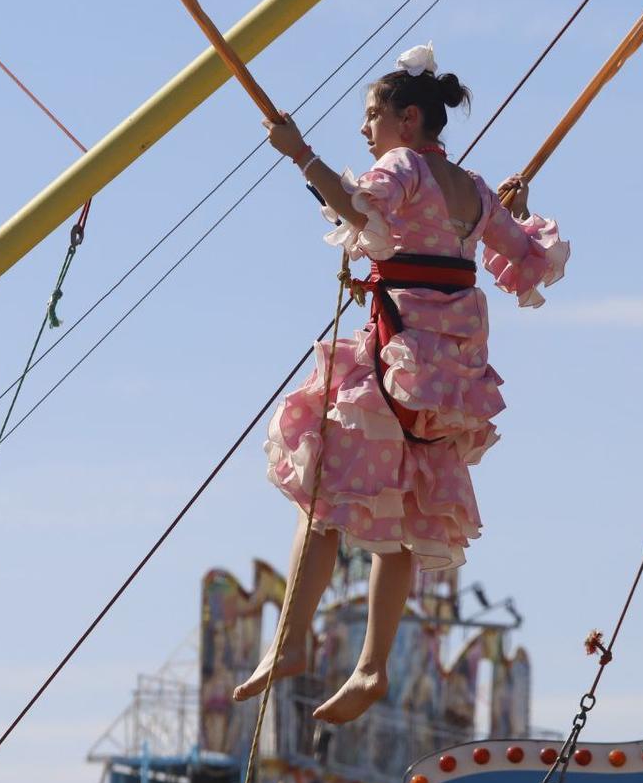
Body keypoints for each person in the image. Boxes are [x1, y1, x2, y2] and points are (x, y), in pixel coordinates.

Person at [232, 42, 569, 724]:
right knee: (406, 521)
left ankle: (291, 641)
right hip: (448, 383)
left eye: (372, 115)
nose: (364, 130)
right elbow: (524, 254)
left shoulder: (403, 168)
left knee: (321, 494)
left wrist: (297, 152)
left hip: (396, 362)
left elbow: (353, 204)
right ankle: (371, 667)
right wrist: (502, 213)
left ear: (407, 120)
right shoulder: (471, 192)